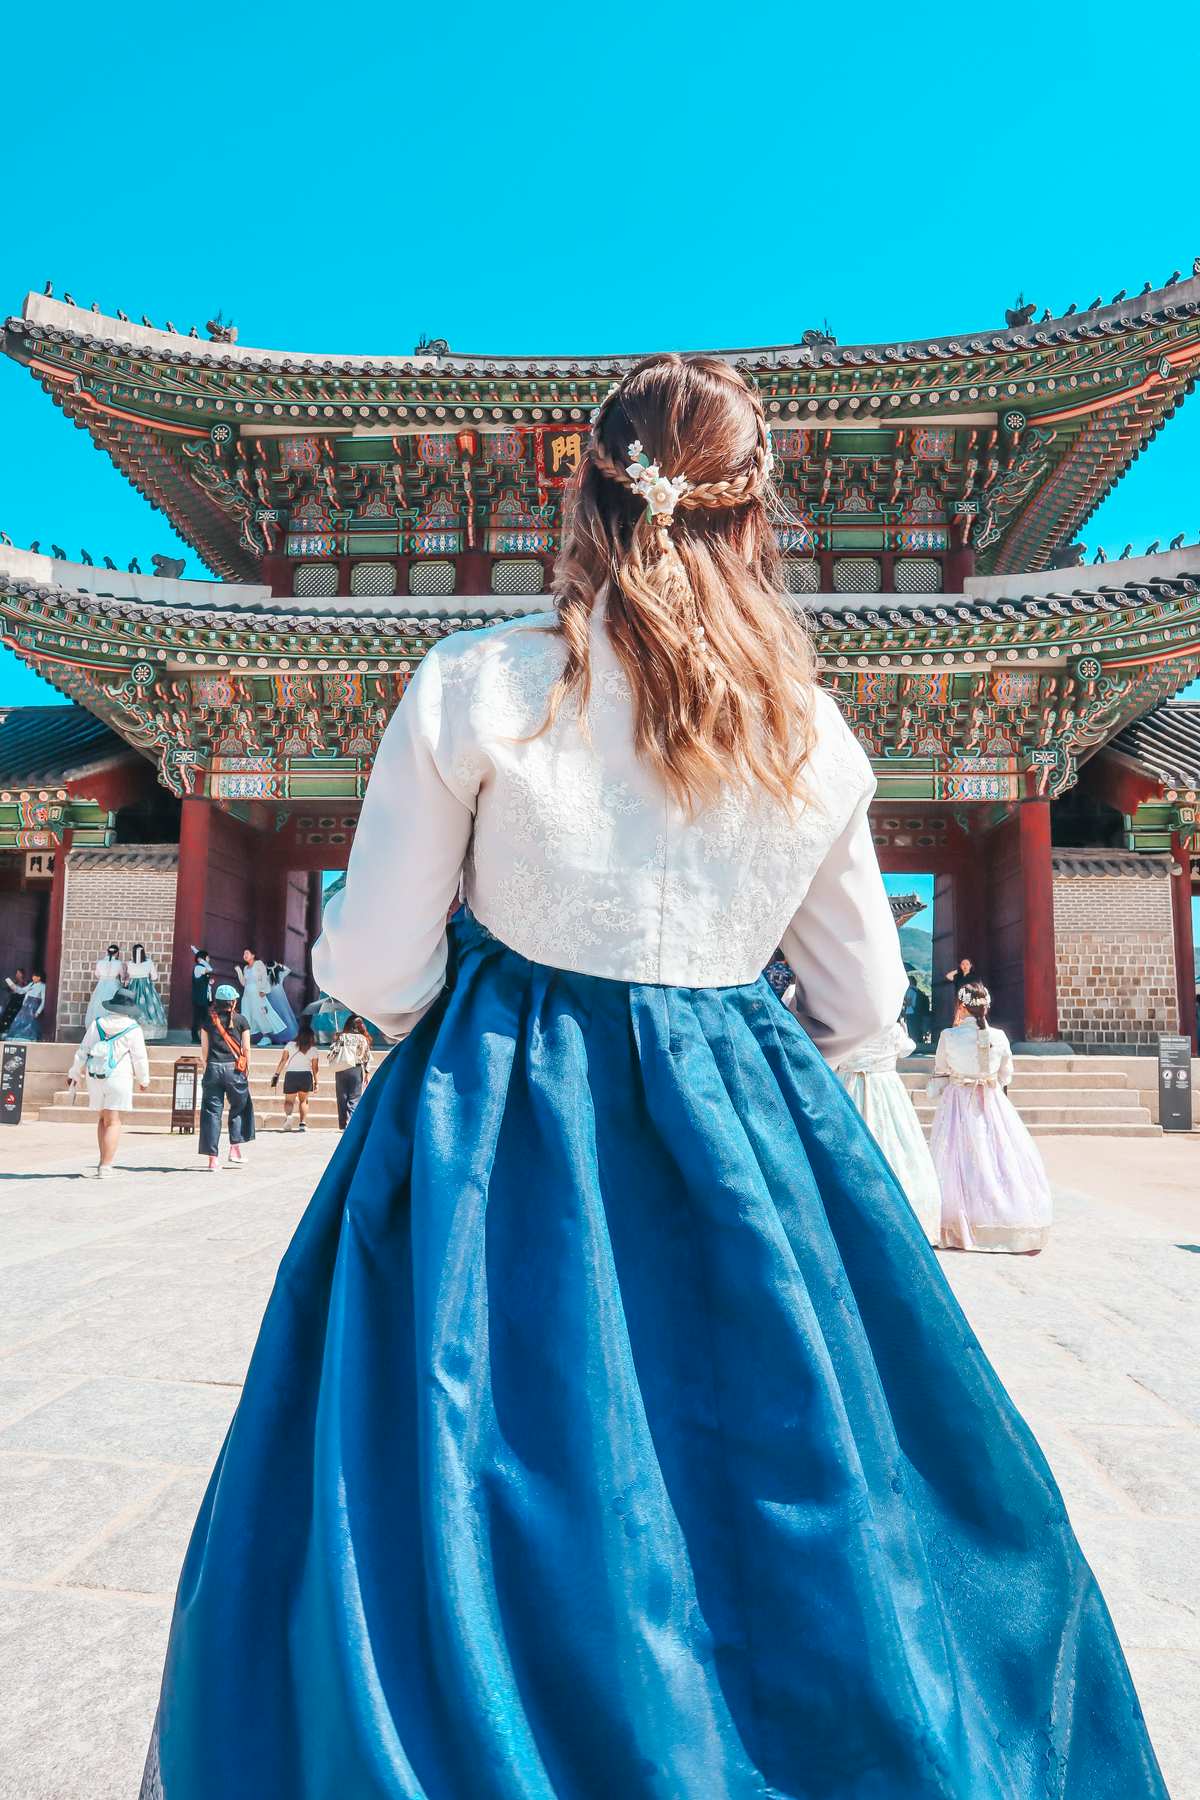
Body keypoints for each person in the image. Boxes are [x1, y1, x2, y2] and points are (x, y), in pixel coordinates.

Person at [141, 355, 1165, 1799]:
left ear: (585, 496)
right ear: (758, 519)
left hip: (492, 1138)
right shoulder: (813, 734)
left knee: (453, 1480)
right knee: (792, 1491)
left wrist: (483, 1010)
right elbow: (868, 1002)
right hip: (745, 1143)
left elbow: (368, 966)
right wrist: (729, 1056)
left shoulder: (477, 687)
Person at [928, 980, 1054, 1255]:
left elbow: (940, 1070)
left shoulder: (949, 1036)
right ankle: (1002, 1219)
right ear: (987, 1006)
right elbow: (1006, 1075)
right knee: (999, 1157)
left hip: (959, 1101)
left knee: (956, 1159)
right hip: (991, 1099)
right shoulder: (999, 1036)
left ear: (961, 1006)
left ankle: (956, 1222)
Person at [837, 1020, 941, 1243]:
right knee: (897, 1147)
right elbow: (907, 1048)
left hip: (849, 1086)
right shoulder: (890, 1028)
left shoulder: (846, 1025)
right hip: (885, 1088)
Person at [66, 987, 151, 1178]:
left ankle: (101, 1161)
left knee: (103, 1119)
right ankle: (106, 1165)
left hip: (95, 1075)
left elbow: (83, 1051)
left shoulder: (98, 1024)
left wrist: (74, 1073)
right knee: (113, 1121)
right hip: (119, 1075)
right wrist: (143, 1079)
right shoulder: (133, 1028)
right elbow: (140, 1058)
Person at [198, 983, 255, 1173]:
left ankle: (213, 1160)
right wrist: (247, 1069)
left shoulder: (207, 1021)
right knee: (240, 1107)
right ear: (234, 1002)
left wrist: (207, 1068)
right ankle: (235, 1148)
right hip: (234, 1070)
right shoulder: (241, 1021)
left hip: (213, 1068)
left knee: (211, 1114)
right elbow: (246, 1049)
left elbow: (204, 1051)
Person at [326, 1013, 372, 1128]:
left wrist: (335, 1039)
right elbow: (366, 1056)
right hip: (355, 1069)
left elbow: (331, 1053)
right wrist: (367, 1072)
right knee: (355, 1096)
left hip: (341, 1068)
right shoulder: (362, 1038)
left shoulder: (342, 1036)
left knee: (342, 1097)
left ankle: (342, 1124)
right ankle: (351, 1124)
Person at [271, 1024, 320, 1131]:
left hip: (291, 1075)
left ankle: (289, 1117)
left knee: (289, 1101)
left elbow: (283, 1060)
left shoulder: (290, 1045)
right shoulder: (313, 1049)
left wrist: (276, 1074)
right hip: (306, 1076)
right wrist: (316, 1082)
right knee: (303, 1101)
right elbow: (315, 1068)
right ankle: (302, 1124)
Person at [236, 947, 285, 1046]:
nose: (245, 955)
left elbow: (264, 977)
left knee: (260, 1014)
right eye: (244, 954)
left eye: (247, 953)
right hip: (247, 995)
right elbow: (243, 983)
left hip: (257, 994)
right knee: (246, 1014)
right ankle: (245, 1038)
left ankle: (266, 1037)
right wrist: (238, 971)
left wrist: (264, 990)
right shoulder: (245, 968)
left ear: (253, 955)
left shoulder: (258, 964)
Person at [126, 942, 168, 1042]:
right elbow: (154, 976)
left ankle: (130, 1030)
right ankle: (149, 1032)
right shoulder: (148, 962)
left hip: (133, 987)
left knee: (131, 1006)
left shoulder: (129, 963)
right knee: (149, 1006)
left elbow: (128, 977)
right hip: (146, 987)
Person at [83, 944, 124, 1027]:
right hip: (113, 985)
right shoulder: (118, 963)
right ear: (116, 953)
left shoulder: (100, 962)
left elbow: (97, 974)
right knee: (113, 1006)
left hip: (101, 985)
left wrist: (104, 977)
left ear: (107, 952)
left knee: (97, 1004)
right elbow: (122, 976)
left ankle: (96, 1026)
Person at [3, 969, 46, 1040]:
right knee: (19, 1021)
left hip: (33, 1007)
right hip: (26, 1007)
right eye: (33, 976)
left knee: (31, 1025)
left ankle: (30, 1038)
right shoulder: (31, 984)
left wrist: (38, 1012)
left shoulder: (43, 986)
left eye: (36, 976)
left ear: (40, 977)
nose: (33, 978)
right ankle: (18, 1037)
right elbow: (21, 991)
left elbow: (43, 1000)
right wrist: (11, 984)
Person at [265, 959, 300, 1043]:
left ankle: (274, 1038)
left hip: (269, 999)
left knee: (272, 1019)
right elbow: (288, 970)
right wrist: (279, 965)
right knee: (284, 1017)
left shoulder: (264, 976)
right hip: (281, 999)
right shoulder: (280, 974)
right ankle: (286, 1037)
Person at [189, 946, 214, 1045]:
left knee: (202, 1018)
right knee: (199, 1018)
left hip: (203, 997)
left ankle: (202, 1037)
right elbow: (210, 969)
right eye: (207, 957)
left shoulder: (201, 968)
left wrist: (209, 982)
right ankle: (196, 1037)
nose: (209, 959)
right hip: (199, 998)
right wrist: (201, 958)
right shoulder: (199, 967)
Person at [0, 967, 26, 1037]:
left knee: (14, 1017)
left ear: (22, 974)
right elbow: (8, 989)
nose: (17, 975)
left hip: (19, 1001)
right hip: (12, 1001)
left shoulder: (25, 983)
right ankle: (3, 1032)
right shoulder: (14, 981)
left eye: (19, 973)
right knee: (6, 1016)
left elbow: (21, 991)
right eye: (17, 973)